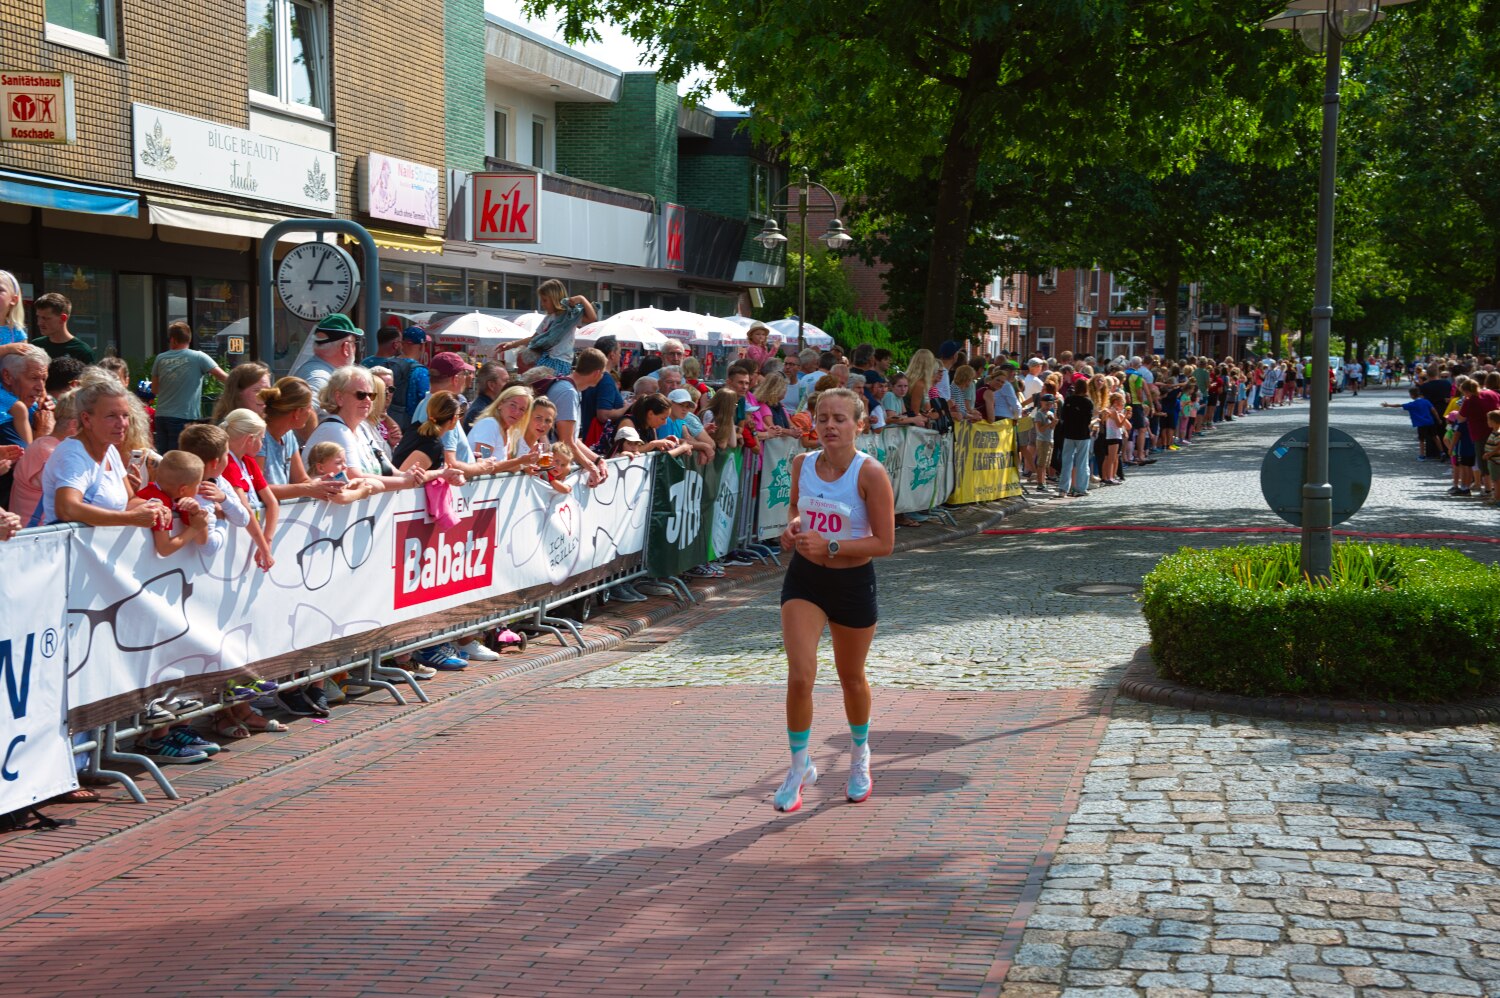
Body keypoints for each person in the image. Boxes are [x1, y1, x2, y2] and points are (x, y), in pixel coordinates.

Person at [775, 388, 895, 812]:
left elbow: (884, 543)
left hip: (851, 583)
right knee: (800, 676)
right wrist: (792, 527)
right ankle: (798, 767)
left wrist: (831, 545)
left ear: (859, 426)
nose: (829, 426)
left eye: (839, 419)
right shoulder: (802, 464)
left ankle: (860, 755)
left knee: (851, 678)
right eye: (822, 417)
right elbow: (795, 507)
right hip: (805, 580)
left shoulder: (870, 473)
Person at [42, 379, 171, 529]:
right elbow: (67, 509)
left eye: (125, 415)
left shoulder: (110, 449)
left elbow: (129, 501)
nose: (122, 423)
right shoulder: (72, 455)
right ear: (86, 419)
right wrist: (130, 518)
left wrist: (156, 507)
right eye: (111, 416)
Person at [255, 378, 345, 502]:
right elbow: (258, 489)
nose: (311, 412)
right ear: (297, 412)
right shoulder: (259, 437)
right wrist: (308, 488)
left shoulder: (288, 435)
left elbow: (301, 480)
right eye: (309, 407)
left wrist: (321, 484)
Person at [150, 320, 227, 452]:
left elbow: (155, 389)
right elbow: (225, 378)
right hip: (184, 417)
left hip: (161, 416)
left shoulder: (160, 358)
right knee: (180, 458)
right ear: (189, 339)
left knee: (163, 458)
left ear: (173, 340)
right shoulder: (198, 357)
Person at [220, 408, 283, 568]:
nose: (262, 444)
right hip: (233, 541)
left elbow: (272, 503)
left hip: (250, 536)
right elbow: (245, 509)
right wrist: (265, 550)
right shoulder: (227, 463)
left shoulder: (248, 462)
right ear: (250, 439)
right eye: (261, 439)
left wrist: (267, 540)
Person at [500, 279, 595, 375]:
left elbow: (592, 318)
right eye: (542, 300)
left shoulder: (569, 316)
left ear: (555, 299)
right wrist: (511, 344)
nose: (542, 304)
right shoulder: (547, 318)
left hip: (561, 361)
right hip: (547, 359)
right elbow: (534, 338)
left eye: (545, 300)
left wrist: (582, 298)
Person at [134, 450, 214, 557]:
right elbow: (164, 549)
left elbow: (202, 541)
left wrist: (196, 513)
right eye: (197, 484)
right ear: (183, 489)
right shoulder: (158, 503)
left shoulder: (179, 499)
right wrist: (194, 528)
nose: (199, 488)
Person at [363, 325, 429, 429]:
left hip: (381, 423)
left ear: (402, 343)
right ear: (422, 346)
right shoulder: (420, 372)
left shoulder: (385, 364)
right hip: (409, 428)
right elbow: (426, 403)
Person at [292, 313, 362, 400]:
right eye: (354, 343)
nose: (355, 348)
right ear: (346, 348)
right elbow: (308, 408)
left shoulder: (317, 372)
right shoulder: (321, 380)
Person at [580, 334, 628, 448]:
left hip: (590, 438)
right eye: (619, 352)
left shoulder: (592, 376)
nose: (620, 355)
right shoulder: (605, 379)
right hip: (600, 443)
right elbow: (603, 415)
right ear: (612, 355)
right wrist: (626, 408)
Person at [29, 292, 95, 364]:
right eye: (38, 317)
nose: (39, 323)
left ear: (63, 318)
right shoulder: (36, 345)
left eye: (45, 318)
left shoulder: (82, 352)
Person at [1382, 388, 1444, 461]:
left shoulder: (1412, 404)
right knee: (1435, 437)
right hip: (1430, 422)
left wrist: (1388, 405)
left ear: (1412, 395)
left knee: (1421, 439)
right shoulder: (1426, 401)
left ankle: (1422, 455)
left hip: (1421, 424)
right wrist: (1438, 419)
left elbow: (1399, 405)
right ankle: (1442, 452)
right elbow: (1434, 410)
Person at [1058, 379, 1095, 497]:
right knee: (1082, 462)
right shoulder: (1087, 402)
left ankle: (1063, 489)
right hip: (1082, 434)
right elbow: (1088, 420)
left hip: (1069, 434)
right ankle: (1081, 488)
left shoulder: (1068, 400)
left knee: (1066, 462)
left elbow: (1063, 416)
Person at [467, 360, 508, 431]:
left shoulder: (491, 407)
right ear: (491, 385)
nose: (509, 385)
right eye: (505, 381)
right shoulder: (479, 412)